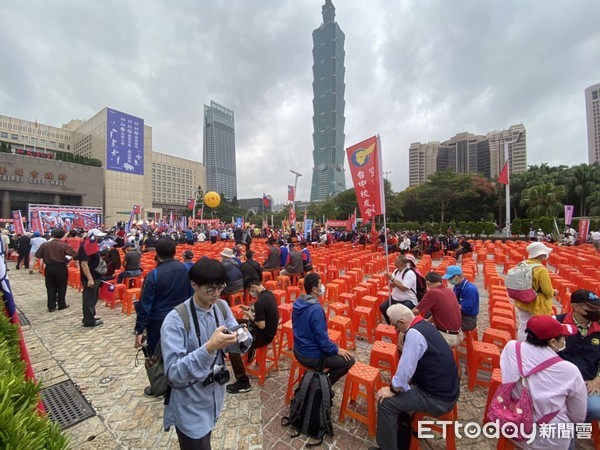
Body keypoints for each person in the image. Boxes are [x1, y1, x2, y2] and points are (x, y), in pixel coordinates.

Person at [161, 258, 243, 449]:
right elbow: (174, 374)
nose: (216, 294)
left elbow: (233, 336)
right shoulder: (176, 320)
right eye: (210, 289)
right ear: (194, 285)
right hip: (190, 403)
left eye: (220, 288)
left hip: (214, 397)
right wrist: (209, 348)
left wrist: (242, 338)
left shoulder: (221, 307)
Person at [370, 304, 460, 450]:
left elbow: (405, 370)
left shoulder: (413, 335)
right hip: (448, 389)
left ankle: (387, 447)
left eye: (396, 327)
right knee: (403, 391)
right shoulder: (425, 325)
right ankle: (402, 435)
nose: (396, 330)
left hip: (437, 398)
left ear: (401, 322)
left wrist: (393, 389)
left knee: (386, 403)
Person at [499, 315, 587, 450]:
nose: (565, 340)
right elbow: (578, 416)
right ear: (553, 342)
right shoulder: (569, 371)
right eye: (563, 337)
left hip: (512, 423)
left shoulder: (511, 348)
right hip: (548, 440)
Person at [134, 238, 192, 396]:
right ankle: (181, 382)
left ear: (156, 253)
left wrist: (139, 330)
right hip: (181, 316)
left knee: (159, 355)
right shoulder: (185, 269)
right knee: (181, 349)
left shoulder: (154, 274)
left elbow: (145, 305)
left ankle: (164, 386)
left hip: (159, 321)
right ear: (175, 252)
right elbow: (191, 294)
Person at [292, 272, 355, 387]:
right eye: (320, 284)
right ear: (315, 289)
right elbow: (322, 340)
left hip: (298, 349)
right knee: (349, 361)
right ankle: (321, 386)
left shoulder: (299, 302)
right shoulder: (315, 309)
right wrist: (335, 350)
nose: (323, 286)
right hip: (310, 356)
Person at [226, 278, 279, 394]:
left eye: (250, 290)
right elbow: (264, 315)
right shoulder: (269, 294)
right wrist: (251, 312)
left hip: (263, 336)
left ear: (253, 287)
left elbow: (261, 325)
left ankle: (243, 381)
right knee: (237, 322)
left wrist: (250, 315)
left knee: (232, 346)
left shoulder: (259, 302)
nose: (250, 293)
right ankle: (250, 351)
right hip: (270, 331)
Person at [556, 289, 600, 422]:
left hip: (587, 382)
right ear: (576, 307)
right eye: (591, 307)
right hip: (558, 379)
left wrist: (597, 380)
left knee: (595, 409)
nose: (597, 310)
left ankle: (575, 426)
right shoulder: (558, 323)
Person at [513, 242, 557, 341]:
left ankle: (521, 347)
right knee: (538, 327)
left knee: (523, 326)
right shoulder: (541, 269)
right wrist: (554, 292)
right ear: (541, 255)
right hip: (537, 303)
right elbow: (547, 291)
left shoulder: (521, 264)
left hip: (522, 300)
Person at [412, 272, 463, 348]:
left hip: (447, 337)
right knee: (425, 324)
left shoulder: (432, 292)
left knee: (415, 335)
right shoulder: (450, 291)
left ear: (427, 283)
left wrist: (402, 312)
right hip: (458, 335)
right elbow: (441, 313)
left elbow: (416, 311)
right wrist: (427, 322)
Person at [35, 228, 78, 312]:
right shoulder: (64, 245)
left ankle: (51, 306)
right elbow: (75, 255)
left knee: (50, 286)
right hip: (61, 267)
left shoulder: (45, 245)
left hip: (49, 267)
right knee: (62, 286)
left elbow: (38, 255)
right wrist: (66, 259)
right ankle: (62, 304)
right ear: (62, 235)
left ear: (52, 235)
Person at [379, 254, 418, 325]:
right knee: (383, 307)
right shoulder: (396, 271)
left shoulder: (410, 273)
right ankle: (392, 324)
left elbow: (403, 288)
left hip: (408, 299)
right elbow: (391, 285)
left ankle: (403, 327)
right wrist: (395, 282)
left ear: (399, 263)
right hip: (395, 298)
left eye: (395, 261)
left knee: (400, 313)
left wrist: (393, 279)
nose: (394, 262)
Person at [79, 228, 106, 328]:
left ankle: (90, 317)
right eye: (98, 236)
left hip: (95, 276)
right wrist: (90, 278)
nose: (99, 238)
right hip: (91, 278)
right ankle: (89, 321)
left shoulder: (91, 245)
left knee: (93, 298)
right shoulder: (85, 247)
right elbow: (84, 264)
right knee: (89, 299)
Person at [442, 265, 479, 332]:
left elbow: (466, 308)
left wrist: (448, 305)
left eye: (450, 278)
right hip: (457, 314)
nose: (449, 280)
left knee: (448, 327)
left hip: (468, 318)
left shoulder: (470, 289)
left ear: (458, 276)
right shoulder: (456, 286)